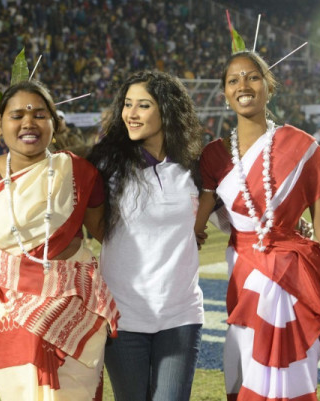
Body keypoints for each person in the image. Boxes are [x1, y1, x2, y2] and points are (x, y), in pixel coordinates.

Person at [194, 50, 320, 401]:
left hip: (293, 278)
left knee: (291, 380)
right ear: (225, 94)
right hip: (243, 276)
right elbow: (197, 222)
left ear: (269, 86)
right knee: (241, 373)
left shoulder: (301, 146)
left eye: (253, 76)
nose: (243, 85)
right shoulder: (214, 155)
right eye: (233, 80)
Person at [0, 79, 119, 400]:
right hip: (10, 309)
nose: (28, 123)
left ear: (54, 123)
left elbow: (106, 232)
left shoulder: (79, 171)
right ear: (0, 126)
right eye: (17, 115)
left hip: (74, 306)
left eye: (39, 114)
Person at [87, 70, 204, 401]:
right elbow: (96, 229)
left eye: (143, 105)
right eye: (127, 104)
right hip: (123, 316)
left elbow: (226, 213)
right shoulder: (105, 163)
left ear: (166, 109)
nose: (131, 114)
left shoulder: (194, 163)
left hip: (180, 313)